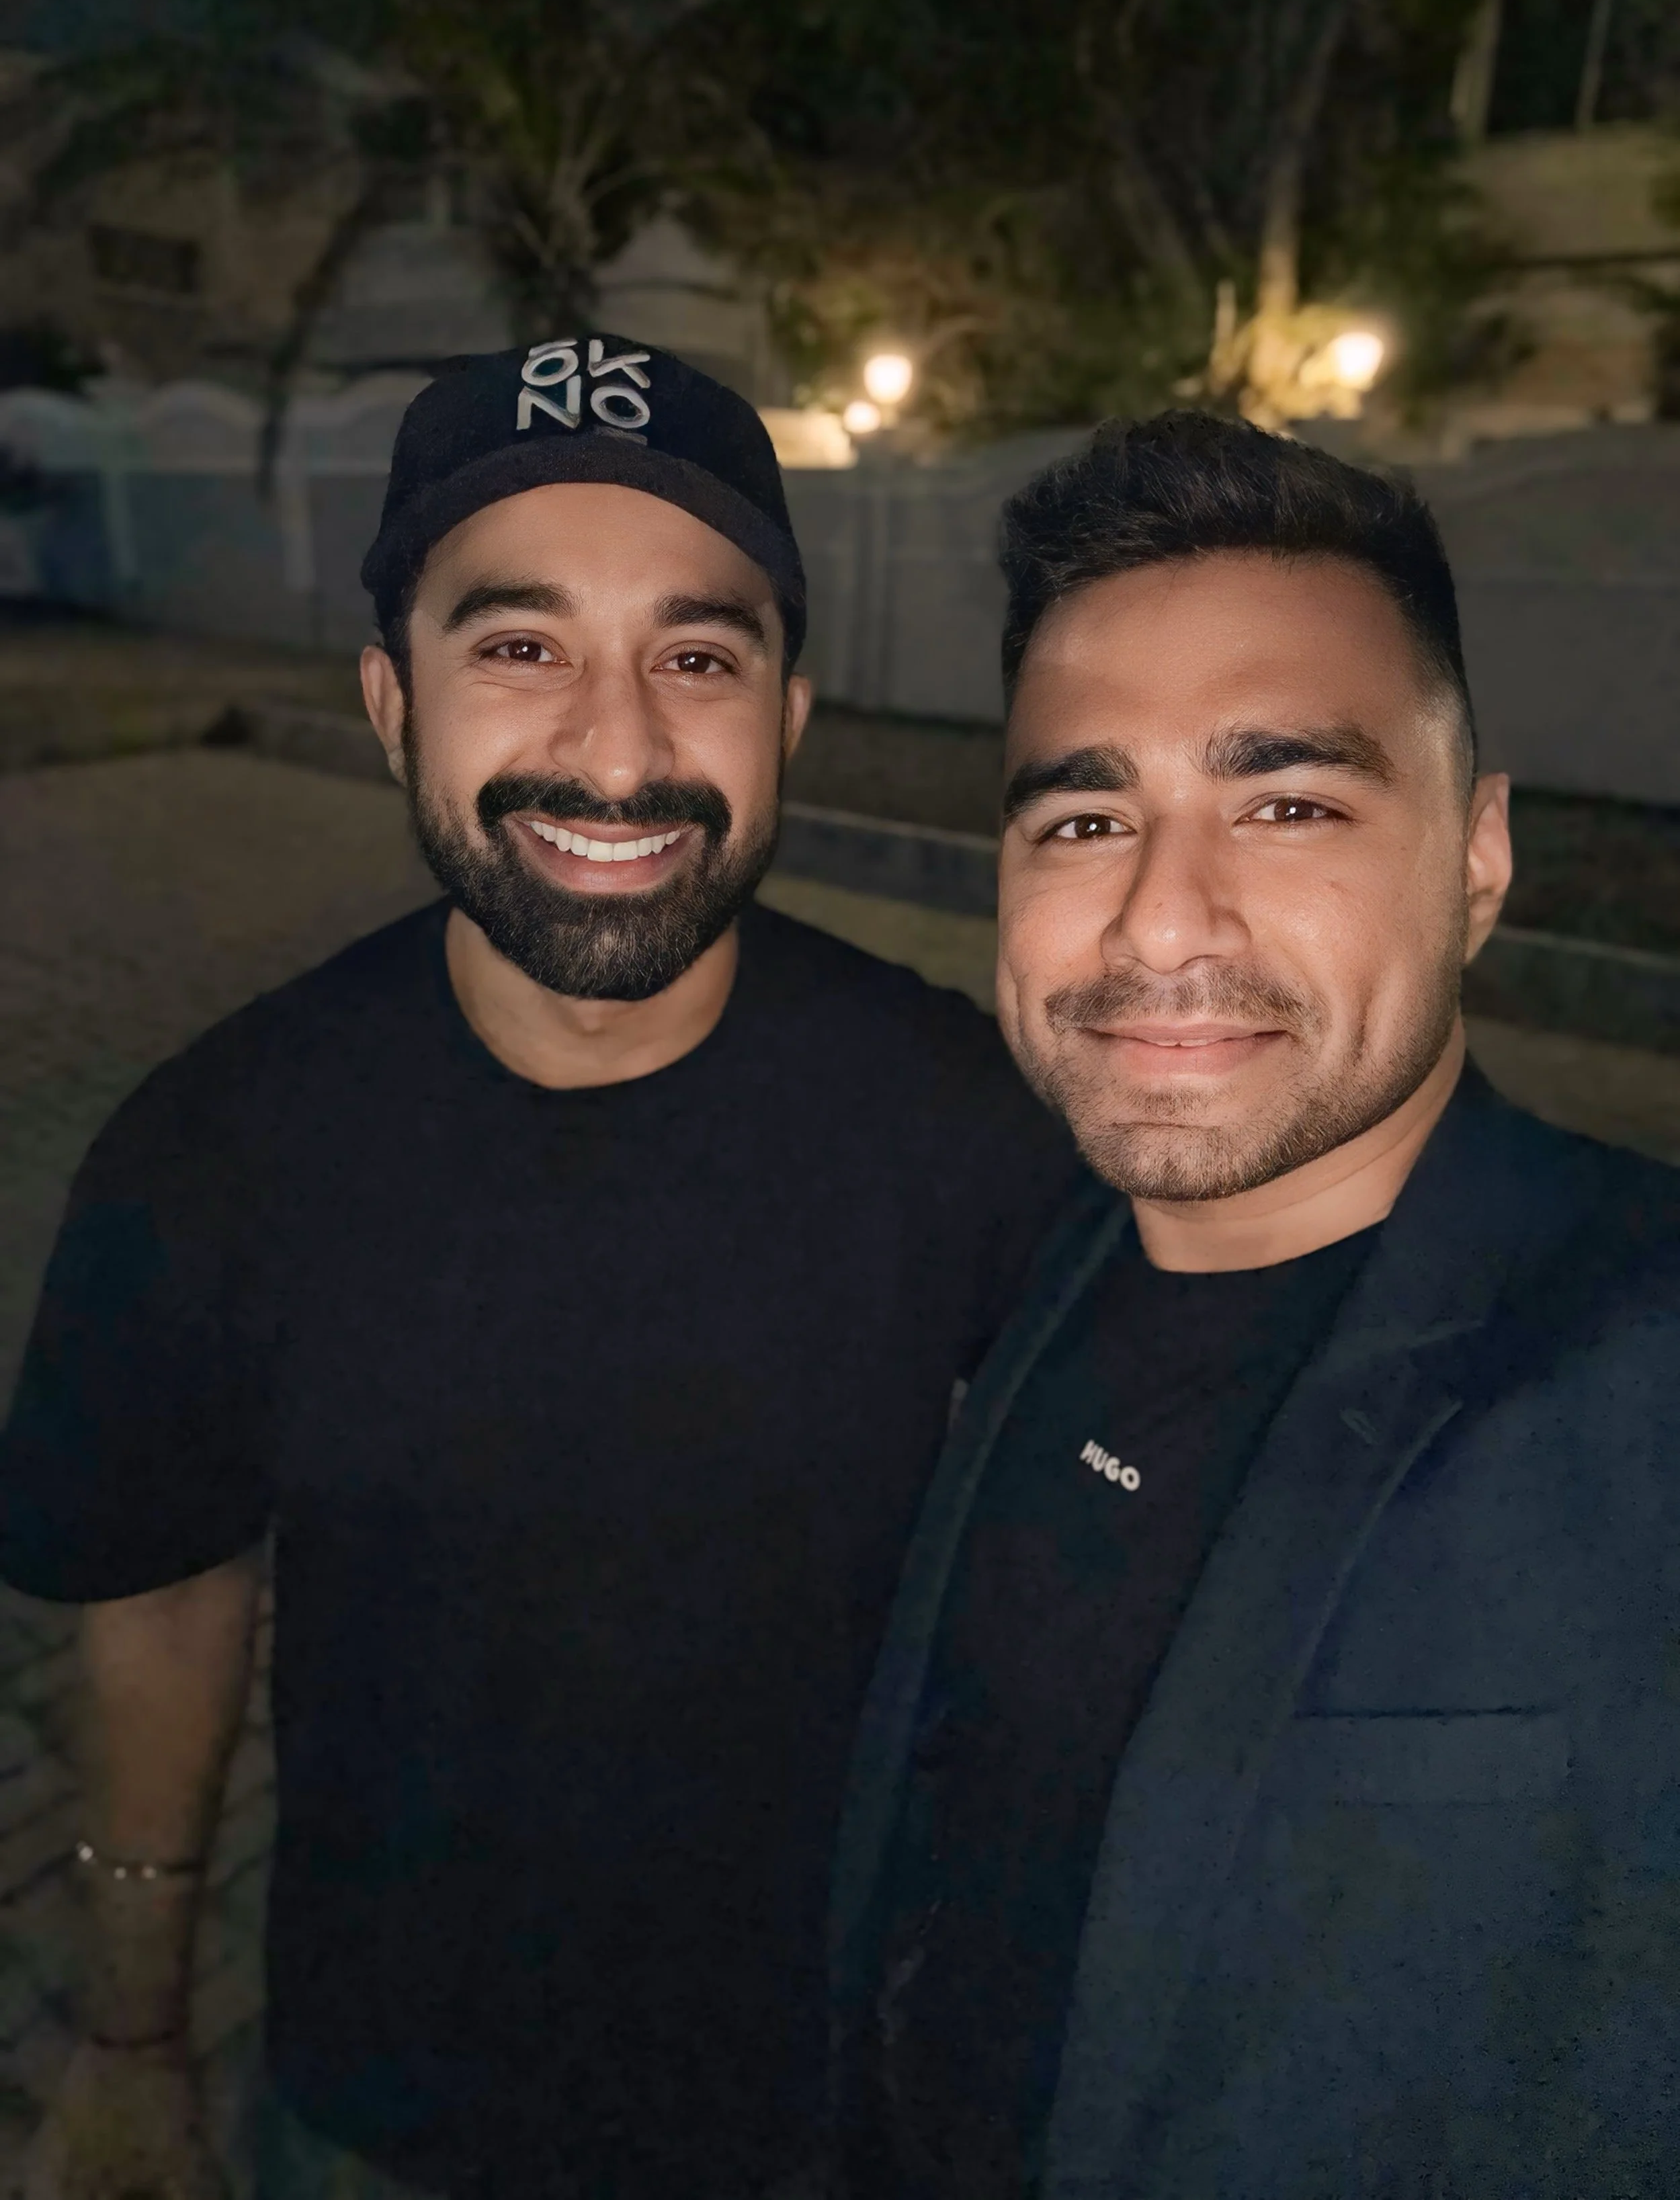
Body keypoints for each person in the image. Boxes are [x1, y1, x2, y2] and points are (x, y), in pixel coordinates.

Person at [0, 339, 1078, 2200]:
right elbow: (165, 1595)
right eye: (517, 645)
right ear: (388, 702)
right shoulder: (206, 1155)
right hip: (377, 2113)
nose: (617, 743)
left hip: (842, 2118)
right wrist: (128, 2030)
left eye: (697, 652)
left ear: (787, 718)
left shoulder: (973, 1129)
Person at [832, 411, 1680, 2200]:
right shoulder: (1040, 1263)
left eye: (1284, 800)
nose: (1156, 919)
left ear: (1474, 856)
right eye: (1085, 811)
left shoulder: (1637, 1375)